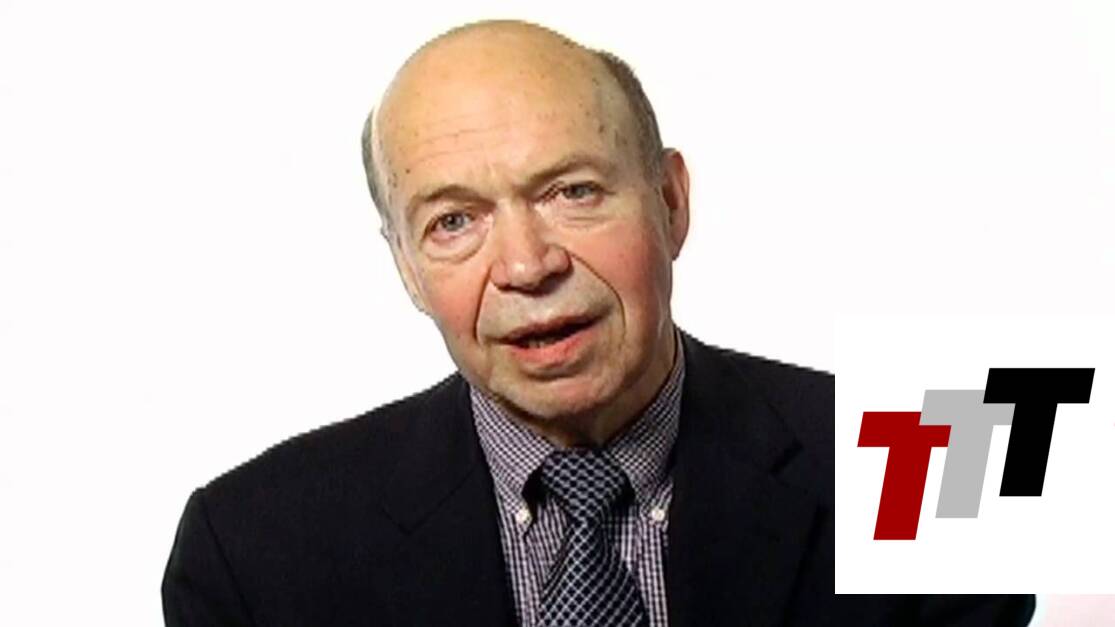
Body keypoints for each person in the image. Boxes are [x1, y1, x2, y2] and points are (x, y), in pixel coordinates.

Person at [161, 20, 1035, 626]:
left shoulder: (938, 460)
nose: (525, 264)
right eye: (453, 221)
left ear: (670, 201)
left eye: (572, 191)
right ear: (406, 268)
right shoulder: (250, 547)